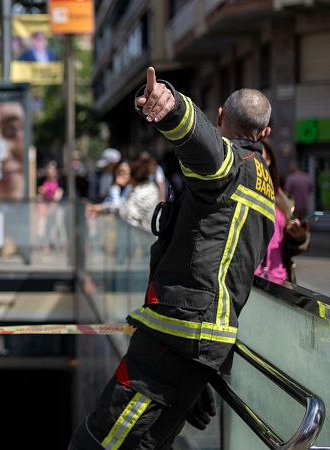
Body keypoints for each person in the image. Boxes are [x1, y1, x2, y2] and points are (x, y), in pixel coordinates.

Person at [69, 68, 275, 449]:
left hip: (176, 340)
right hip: (198, 342)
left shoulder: (230, 164)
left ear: (219, 118)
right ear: (265, 133)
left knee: (97, 443)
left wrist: (171, 106)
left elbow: (206, 147)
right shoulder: (265, 185)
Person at [255, 141, 310, 284]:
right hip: (252, 279)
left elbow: (293, 247)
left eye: (260, 155)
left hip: (279, 277)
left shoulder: (284, 199)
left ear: (269, 160)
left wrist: (298, 236)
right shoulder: (244, 192)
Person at [118, 156, 160, 230]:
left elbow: (131, 218)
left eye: (125, 173)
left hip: (144, 237)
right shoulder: (139, 189)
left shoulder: (143, 192)